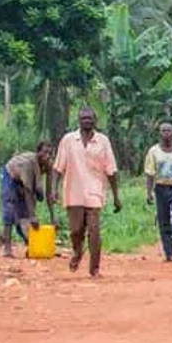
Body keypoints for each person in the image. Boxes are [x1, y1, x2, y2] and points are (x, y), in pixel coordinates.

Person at [53, 107, 121, 276]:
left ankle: (95, 268)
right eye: (83, 118)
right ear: (78, 120)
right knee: (76, 231)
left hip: (95, 192)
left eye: (90, 118)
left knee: (94, 231)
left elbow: (111, 170)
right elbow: (58, 167)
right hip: (73, 193)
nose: (87, 121)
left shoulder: (103, 141)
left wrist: (116, 196)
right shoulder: (68, 140)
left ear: (95, 120)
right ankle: (77, 251)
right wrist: (54, 189)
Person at [0, 141, 53, 257]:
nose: (47, 156)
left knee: (24, 215)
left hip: (24, 181)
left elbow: (49, 193)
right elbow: (28, 191)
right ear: (38, 152)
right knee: (10, 208)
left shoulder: (48, 165)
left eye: (50, 153)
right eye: (44, 152)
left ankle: (32, 245)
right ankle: (7, 249)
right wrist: (33, 216)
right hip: (11, 176)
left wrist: (53, 217)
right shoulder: (28, 163)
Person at [144, 122, 172, 262]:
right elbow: (150, 174)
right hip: (161, 188)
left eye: (169, 130)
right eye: (163, 131)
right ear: (159, 133)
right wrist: (149, 192)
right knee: (164, 220)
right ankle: (168, 252)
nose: (166, 133)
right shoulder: (154, 151)